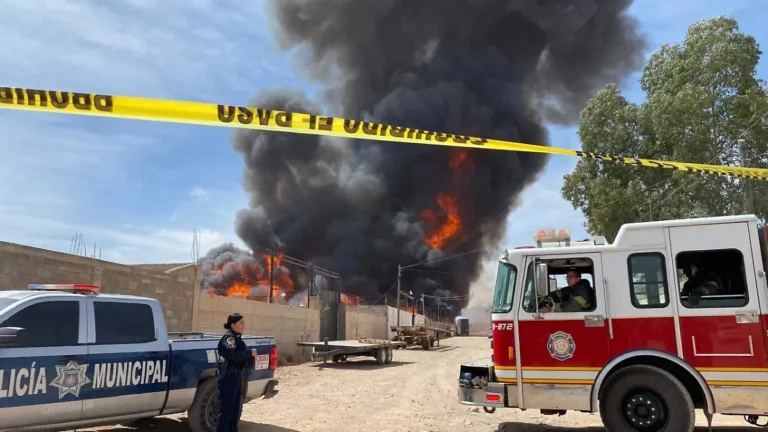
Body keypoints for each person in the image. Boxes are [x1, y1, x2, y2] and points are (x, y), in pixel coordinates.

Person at [216, 313, 256, 432]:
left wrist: (250, 357)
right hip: (228, 378)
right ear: (233, 325)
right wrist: (250, 353)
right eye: (241, 323)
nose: (244, 325)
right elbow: (234, 356)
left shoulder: (237, 338)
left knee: (235, 411)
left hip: (236, 377)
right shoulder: (229, 339)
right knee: (226, 412)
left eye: (244, 323)